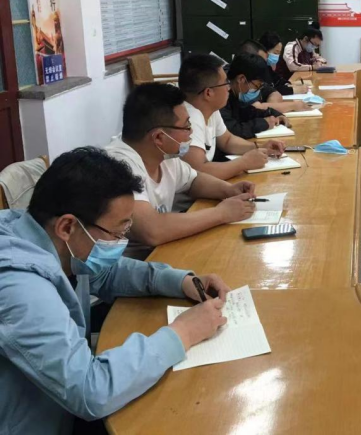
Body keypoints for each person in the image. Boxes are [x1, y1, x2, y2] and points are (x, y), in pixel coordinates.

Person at [0, 147, 230, 433]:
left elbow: (107, 273)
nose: (121, 240)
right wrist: (184, 332)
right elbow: (89, 391)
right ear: (67, 226)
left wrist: (180, 281)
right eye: (117, 232)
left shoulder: (42, 234)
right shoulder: (20, 288)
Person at [106, 83, 261, 256]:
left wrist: (228, 190)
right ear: (159, 137)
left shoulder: (163, 155)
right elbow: (152, 230)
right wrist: (221, 213)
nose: (191, 132)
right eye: (186, 127)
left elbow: (193, 180)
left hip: (160, 252)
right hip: (128, 264)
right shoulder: (117, 166)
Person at [179, 54, 287, 181]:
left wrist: (260, 147)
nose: (229, 87)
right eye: (225, 83)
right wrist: (244, 163)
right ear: (208, 93)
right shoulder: (189, 119)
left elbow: (227, 140)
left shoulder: (210, 110)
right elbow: (198, 172)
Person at [223, 52, 295, 139]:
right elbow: (231, 131)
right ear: (241, 79)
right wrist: (264, 123)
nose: (257, 90)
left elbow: (249, 112)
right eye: (257, 86)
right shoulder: (222, 95)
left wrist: (275, 114)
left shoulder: (237, 93)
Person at [238, 37, 308, 113]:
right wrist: (293, 105)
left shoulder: (257, 76)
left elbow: (273, 92)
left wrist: (270, 108)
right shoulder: (231, 88)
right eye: (261, 61)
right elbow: (254, 108)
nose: (264, 65)